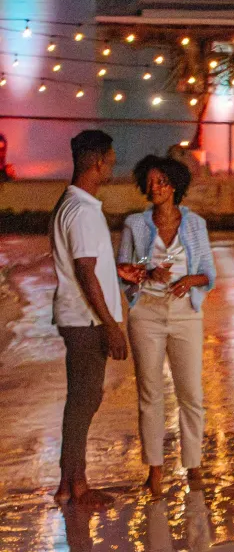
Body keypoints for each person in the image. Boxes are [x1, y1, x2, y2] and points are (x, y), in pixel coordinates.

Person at [117, 155, 217, 496]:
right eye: (149, 181)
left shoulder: (195, 225)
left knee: (191, 393)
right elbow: (126, 266)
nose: (154, 187)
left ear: (174, 185)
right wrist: (147, 271)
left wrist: (189, 279)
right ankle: (155, 470)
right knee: (150, 393)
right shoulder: (136, 224)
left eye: (160, 181)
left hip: (185, 313)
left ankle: (193, 465)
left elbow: (209, 273)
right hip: (146, 312)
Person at [50, 130, 129, 506]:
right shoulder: (81, 210)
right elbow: (85, 270)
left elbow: (90, 267)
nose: (112, 166)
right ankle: (75, 485)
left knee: (82, 399)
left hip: (79, 318)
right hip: (85, 321)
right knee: (84, 400)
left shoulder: (72, 204)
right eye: (110, 160)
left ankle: (69, 482)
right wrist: (110, 325)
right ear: (98, 161)